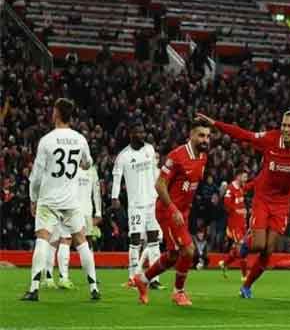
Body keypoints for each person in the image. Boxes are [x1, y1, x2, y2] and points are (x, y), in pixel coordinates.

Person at [195, 111, 290, 298]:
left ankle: (246, 286)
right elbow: (243, 134)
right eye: (283, 125)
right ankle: (244, 244)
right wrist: (216, 123)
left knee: (269, 250)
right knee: (257, 245)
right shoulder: (270, 139)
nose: (285, 129)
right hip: (263, 198)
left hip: (282, 203)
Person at [21, 98, 100, 301]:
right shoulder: (80, 139)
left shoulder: (47, 140)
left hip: (48, 199)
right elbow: (88, 162)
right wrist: (83, 164)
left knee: (43, 239)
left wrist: (33, 198)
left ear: (56, 113)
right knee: (81, 241)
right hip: (72, 200)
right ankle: (94, 288)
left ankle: (34, 288)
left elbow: (36, 176)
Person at [132, 119, 211, 306]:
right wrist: (173, 208)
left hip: (182, 212)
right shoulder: (177, 156)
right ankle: (178, 292)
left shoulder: (203, 157)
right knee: (189, 250)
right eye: (201, 135)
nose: (205, 140)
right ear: (191, 135)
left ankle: (142, 280)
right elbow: (159, 185)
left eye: (208, 136)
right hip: (168, 211)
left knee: (174, 255)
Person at [111, 120, 163, 289]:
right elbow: (117, 178)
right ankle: (133, 277)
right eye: (138, 132)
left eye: (143, 132)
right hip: (136, 204)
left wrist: (161, 191)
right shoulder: (123, 156)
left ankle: (154, 278)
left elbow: (155, 172)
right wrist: (114, 197)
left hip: (152, 202)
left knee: (154, 240)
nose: (142, 135)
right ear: (131, 134)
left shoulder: (149, 149)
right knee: (135, 241)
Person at [43, 157, 102, 289]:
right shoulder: (71, 168)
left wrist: (98, 212)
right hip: (69, 208)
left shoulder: (92, 171)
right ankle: (54, 276)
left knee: (83, 241)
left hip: (85, 211)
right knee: (61, 240)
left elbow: (96, 192)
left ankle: (88, 276)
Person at [218, 171, 254, 281]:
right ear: (238, 176)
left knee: (239, 249)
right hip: (235, 225)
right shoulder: (231, 188)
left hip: (242, 223)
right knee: (242, 249)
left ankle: (224, 263)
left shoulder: (241, 188)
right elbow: (226, 204)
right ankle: (244, 276)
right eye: (244, 176)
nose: (246, 179)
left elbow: (241, 202)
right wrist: (236, 211)